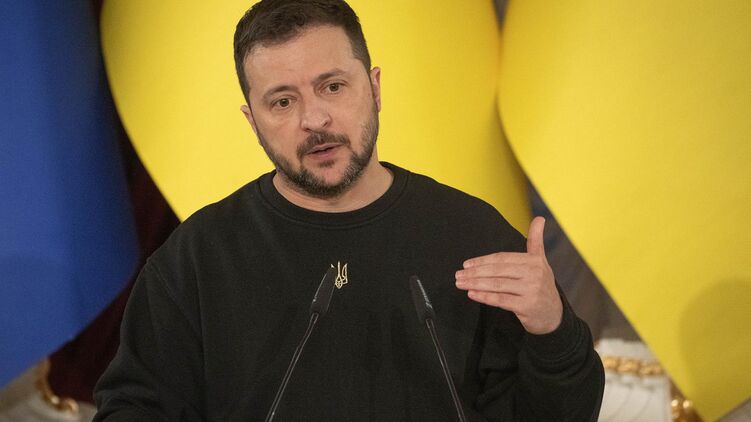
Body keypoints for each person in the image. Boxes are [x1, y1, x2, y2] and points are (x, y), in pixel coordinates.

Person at [93, 0, 604, 420]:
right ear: (252, 121)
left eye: (332, 87)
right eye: (283, 101)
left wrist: (553, 330)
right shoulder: (198, 258)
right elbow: (135, 408)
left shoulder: (471, 235)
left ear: (375, 88)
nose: (315, 119)